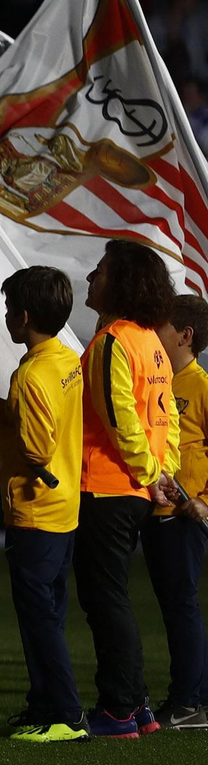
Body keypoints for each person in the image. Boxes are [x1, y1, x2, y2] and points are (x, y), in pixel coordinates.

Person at [0, 267, 87, 742]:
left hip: (36, 510)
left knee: (39, 617)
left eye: (7, 310)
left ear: (22, 317)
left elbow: (35, 452)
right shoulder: (65, 360)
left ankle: (66, 715)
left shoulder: (33, 375)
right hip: (65, 509)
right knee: (49, 612)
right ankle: (43, 705)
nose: (4, 317)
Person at [74, 239, 179, 738]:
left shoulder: (114, 340)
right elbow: (167, 420)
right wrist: (162, 472)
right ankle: (137, 707)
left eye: (100, 271)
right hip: (135, 490)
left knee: (104, 599)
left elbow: (120, 420)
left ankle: (118, 710)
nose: (91, 279)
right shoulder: (152, 343)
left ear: (121, 283)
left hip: (107, 487)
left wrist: (147, 472)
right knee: (113, 596)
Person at [140, 293, 208, 729]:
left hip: (184, 517)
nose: (152, 334)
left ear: (184, 336)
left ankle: (186, 703)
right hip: (159, 513)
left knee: (181, 606)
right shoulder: (159, 379)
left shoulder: (199, 386)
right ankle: (195, 698)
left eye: (160, 327)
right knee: (176, 606)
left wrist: (204, 500)